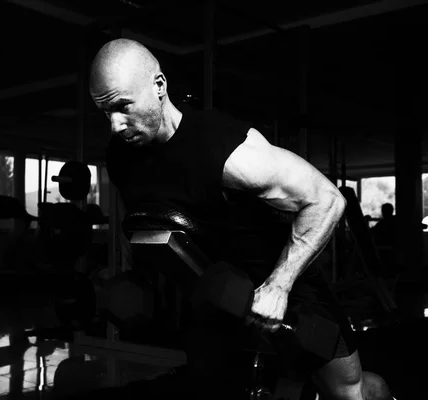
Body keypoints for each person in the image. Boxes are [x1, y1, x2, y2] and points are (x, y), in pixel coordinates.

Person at [89, 38, 394, 400]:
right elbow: (150, 226)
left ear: (159, 86)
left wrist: (279, 286)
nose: (114, 125)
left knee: (348, 392)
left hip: (282, 283)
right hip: (217, 291)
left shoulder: (226, 150)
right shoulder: (122, 157)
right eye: (104, 112)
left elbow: (326, 199)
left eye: (123, 106)